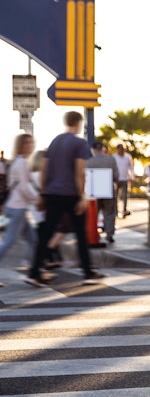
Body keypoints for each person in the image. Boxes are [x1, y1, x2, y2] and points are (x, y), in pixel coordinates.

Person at [25, 111, 106, 287]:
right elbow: (79, 172)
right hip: (70, 194)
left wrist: (42, 194)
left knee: (46, 233)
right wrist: (82, 196)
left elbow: (45, 169)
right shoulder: (79, 143)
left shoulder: (55, 142)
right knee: (81, 234)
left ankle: (34, 272)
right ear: (78, 122)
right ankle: (88, 273)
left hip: (52, 194)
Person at [0, 134, 38, 282]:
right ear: (21, 145)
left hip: (15, 207)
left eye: (31, 142)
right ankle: (34, 272)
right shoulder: (21, 162)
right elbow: (23, 187)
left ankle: (33, 271)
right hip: (17, 209)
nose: (30, 145)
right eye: (27, 143)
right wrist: (37, 200)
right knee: (9, 242)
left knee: (33, 239)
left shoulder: (17, 161)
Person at [87, 142, 119, 243]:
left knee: (94, 214)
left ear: (93, 150)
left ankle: (95, 234)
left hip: (93, 192)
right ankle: (109, 234)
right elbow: (116, 176)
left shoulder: (89, 161)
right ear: (102, 148)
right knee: (109, 213)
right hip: (108, 190)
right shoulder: (111, 160)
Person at [114, 144, 134, 217]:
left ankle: (124, 210)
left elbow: (130, 168)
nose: (121, 151)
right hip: (116, 179)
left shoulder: (127, 157)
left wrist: (132, 177)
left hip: (125, 179)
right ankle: (116, 211)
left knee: (125, 195)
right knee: (116, 196)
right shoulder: (114, 157)